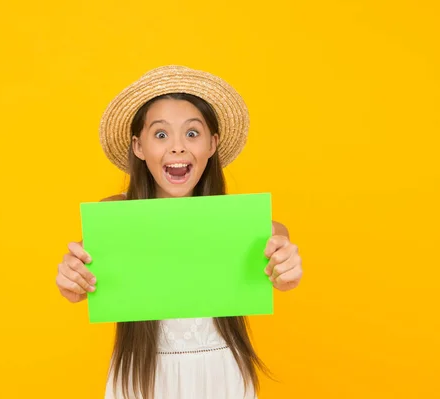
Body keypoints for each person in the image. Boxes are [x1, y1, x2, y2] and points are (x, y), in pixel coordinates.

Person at [55, 65, 303, 399]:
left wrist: (284, 262)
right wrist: (73, 279)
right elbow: (82, 277)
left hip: (222, 376)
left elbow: (276, 235)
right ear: (138, 147)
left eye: (192, 133)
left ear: (213, 144)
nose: (177, 148)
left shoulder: (233, 220)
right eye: (160, 135)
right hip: (142, 377)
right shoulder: (117, 215)